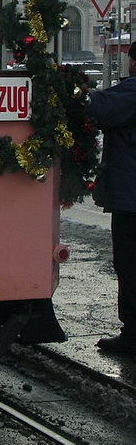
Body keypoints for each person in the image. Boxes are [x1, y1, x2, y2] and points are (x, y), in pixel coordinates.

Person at [86, 41, 136, 354]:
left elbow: (97, 107)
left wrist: (72, 93)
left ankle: (132, 335)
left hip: (131, 200)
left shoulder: (132, 91)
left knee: (130, 267)